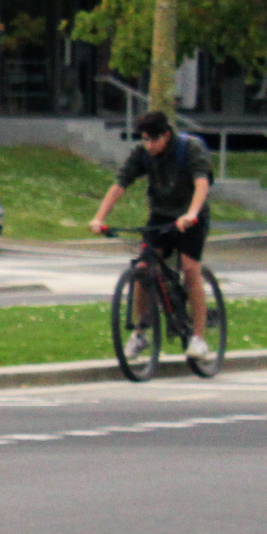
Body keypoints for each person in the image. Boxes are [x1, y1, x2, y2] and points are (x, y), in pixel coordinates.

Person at [90, 109, 213, 361]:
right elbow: (120, 184)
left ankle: (199, 339)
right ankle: (139, 332)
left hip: (191, 216)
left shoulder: (189, 148)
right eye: (143, 139)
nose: (147, 145)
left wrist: (191, 214)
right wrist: (99, 218)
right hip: (160, 216)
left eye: (152, 140)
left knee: (190, 270)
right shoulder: (143, 154)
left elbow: (202, 182)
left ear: (166, 135)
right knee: (143, 268)